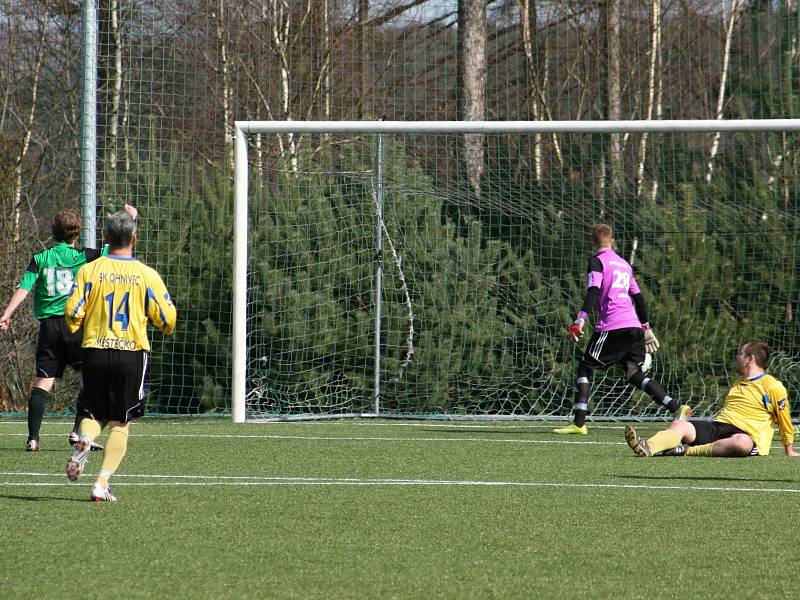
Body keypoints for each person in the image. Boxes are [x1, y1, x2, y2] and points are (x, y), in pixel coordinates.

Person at [64, 208, 176, 502]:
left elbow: (72, 313)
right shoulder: (145, 275)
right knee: (121, 423)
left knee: (92, 412)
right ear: (134, 239)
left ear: (105, 237)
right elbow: (167, 319)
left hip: (95, 350)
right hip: (131, 353)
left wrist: (81, 323)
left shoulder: (89, 271)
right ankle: (101, 483)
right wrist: (156, 322)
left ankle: (85, 440)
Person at [0, 207, 133, 451]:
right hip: (76, 324)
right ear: (76, 234)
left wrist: (7, 314)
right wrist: (130, 219)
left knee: (43, 381)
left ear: (53, 233)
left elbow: (24, 288)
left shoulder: (40, 258)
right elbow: (116, 246)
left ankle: (33, 438)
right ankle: (77, 432)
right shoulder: (85, 256)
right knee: (91, 379)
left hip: (49, 327)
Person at [554, 224, 690, 435]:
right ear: (613, 240)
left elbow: (593, 291)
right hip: (634, 326)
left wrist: (580, 319)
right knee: (633, 373)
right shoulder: (624, 264)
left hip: (612, 326)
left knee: (585, 367)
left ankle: (579, 423)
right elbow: (638, 297)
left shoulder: (596, 262)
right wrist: (646, 327)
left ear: (592, 241)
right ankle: (676, 407)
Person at [625, 340, 798, 457]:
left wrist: (789, 450)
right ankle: (647, 447)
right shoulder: (737, 382)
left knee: (742, 443)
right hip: (719, 426)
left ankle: (686, 451)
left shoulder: (773, 386)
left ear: (750, 359)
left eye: (740, 353)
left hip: (746, 436)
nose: (736, 357)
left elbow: (784, 420)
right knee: (681, 425)